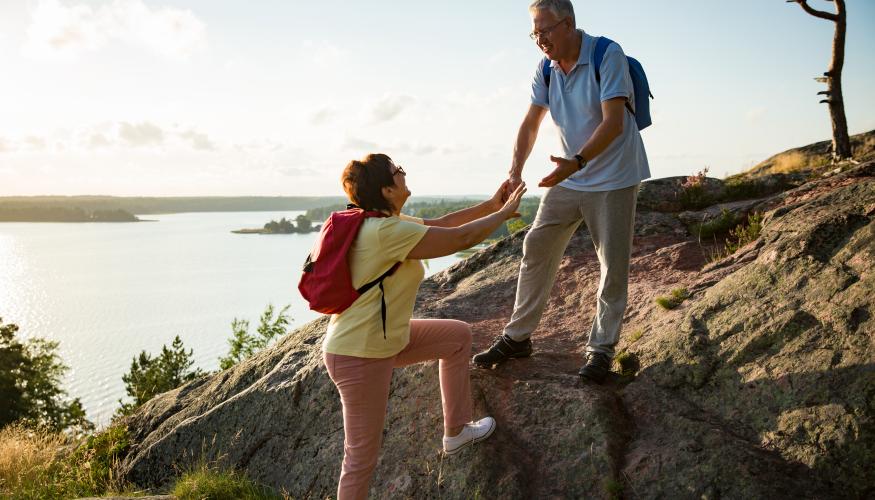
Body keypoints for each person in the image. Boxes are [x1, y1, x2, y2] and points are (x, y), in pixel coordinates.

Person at [323, 153, 526, 500]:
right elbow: (459, 240)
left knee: (457, 337)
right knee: (359, 460)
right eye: (397, 170)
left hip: (384, 341)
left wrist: (491, 204)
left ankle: (457, 431)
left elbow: (445, 224)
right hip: (360, 354)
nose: (404, 172)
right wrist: (503, 215)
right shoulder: (385, 231)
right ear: (387, 189)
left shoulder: (386, 222)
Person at [473, 0, 650, 383]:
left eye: (545, 30)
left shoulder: (607, 54)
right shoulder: (546, 69)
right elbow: (531, 122)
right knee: (536, 245)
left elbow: (614, 122)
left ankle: (601, 350)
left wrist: (578, 161)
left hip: (613, 176)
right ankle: (518, 337)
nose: (539, 40)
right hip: (569, 176)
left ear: (568, 24)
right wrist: (514, 171)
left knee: (612, 266)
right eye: (534, 33)